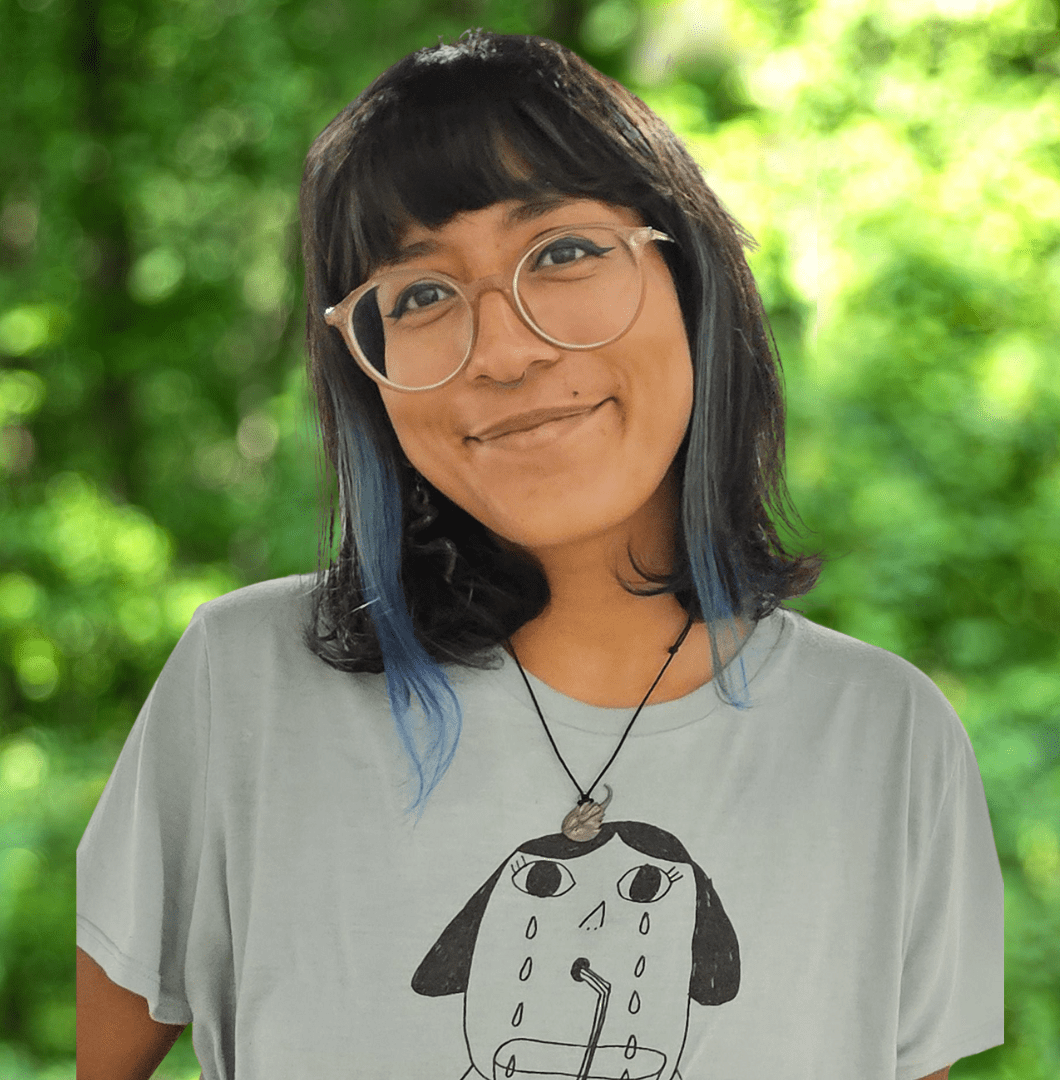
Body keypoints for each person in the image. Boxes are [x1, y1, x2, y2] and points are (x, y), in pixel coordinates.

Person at [76, 28, 1004, 1080]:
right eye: (420, 294)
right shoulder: (244, 687)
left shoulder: (886, 742)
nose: (505, 349)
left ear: (689, 276)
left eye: (561, 253)